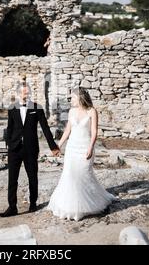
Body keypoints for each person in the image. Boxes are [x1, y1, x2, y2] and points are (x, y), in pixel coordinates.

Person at [47, 87, 115, 221]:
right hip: (72, 148)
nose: (70, 100)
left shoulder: (92, 111)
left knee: (84, 175)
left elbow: (94, 132)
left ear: (80, 98)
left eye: (72, 97)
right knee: (70, 175)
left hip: (85, 148)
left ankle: (89, 204)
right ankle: (70, 206)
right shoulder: (71, 111)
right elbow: (67, 131)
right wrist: (57, 146)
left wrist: (91, 147)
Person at [0, 81, 61, 217]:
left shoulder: (37, 108)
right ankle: (12, 207)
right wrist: (8, 144)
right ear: (18, 94)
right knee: (12, 179)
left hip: (30, 148)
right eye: (23, 92)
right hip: (14, 149)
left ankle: (33, 203)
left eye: (28, 92)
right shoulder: (12, 108)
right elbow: (9, 129)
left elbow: (45, 128)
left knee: (32, 177)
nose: (26, 95)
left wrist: (53, 146)